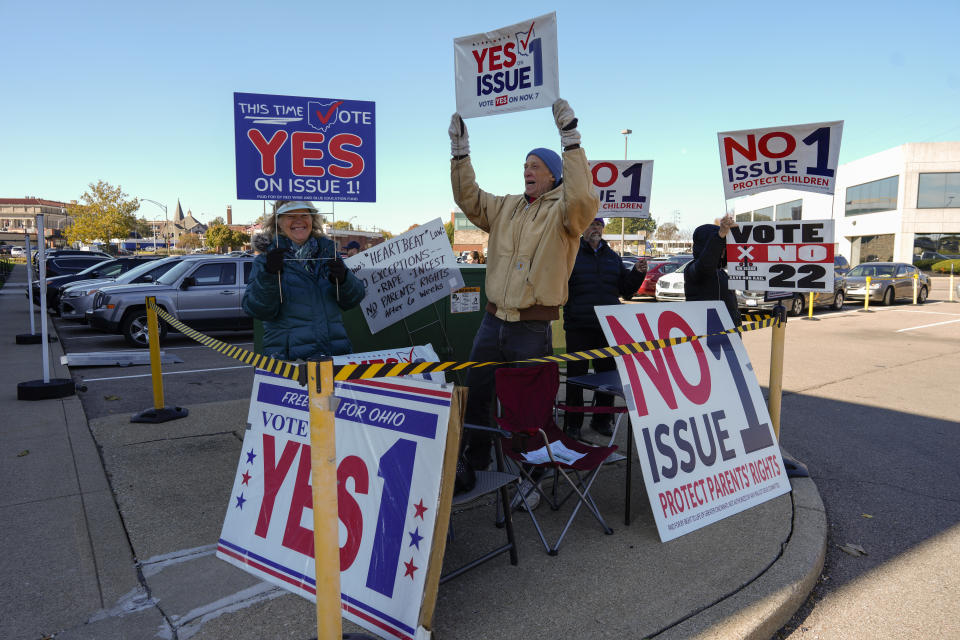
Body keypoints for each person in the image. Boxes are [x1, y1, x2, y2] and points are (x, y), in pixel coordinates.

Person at [448, 99, 599, 476]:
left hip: (531, 328)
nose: (528, 171)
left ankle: (532, 472)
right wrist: (460, 154)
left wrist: (571, 140)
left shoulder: (565, 213)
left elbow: (582, 197)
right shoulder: (507, 206)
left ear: (553, 175)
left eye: (536, 166)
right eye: (525, 166)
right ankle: (476, 462)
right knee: (478, 395)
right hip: (492, 323)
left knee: (528, 408)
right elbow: (469, 198)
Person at [242, 200, 365, 361]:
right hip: (290, 362)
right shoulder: (266, 260)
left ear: (312, 220)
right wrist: (269, 276)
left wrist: (344, 280)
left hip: (335, 356)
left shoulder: (328, 253)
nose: (298, 220)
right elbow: (256, 310)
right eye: (290, 216)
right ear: (278, 222)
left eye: (304, 215)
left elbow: (353, 300)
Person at [563, 217, 648, 438]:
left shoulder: (612, 257)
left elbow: (626, 291)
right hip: (579, 327)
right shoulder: (571, 253)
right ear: (583, 228)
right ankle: (572, 424)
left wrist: (637, 273)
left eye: (599, 225)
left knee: (607, 377)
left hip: (607, 328)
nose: (596, 228)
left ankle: (602, 421)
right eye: (591, 224)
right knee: (575, 377)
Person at [683, 214, 741, 326]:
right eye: (721, 247)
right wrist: (720, 236)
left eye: (724, 247)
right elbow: (706, 264)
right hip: (704, 337)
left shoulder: (722, 273)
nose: (723, 251)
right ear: (705, 246)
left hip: (729, 338)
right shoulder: (692, 270)